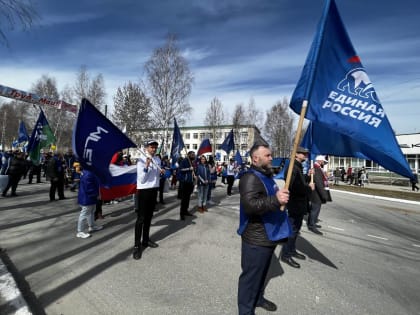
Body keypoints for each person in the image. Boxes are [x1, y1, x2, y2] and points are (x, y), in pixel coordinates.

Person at [237, 142, 291, 314]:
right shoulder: (250, 178)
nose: (271, 158)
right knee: (250, 278)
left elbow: (268, 198)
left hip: (269, 235)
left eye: (270, 155)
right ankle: (246, 310)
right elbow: (250, 206)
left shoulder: (266, 176)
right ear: (255, 158)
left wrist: (279, 197)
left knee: (261, 274)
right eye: (267, 156)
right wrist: (276, 200)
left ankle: (258, 298)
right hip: (256, 239)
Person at [280, 147, 314, 269]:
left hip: (299, 204)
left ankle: (292, 250)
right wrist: (309, 188)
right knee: (292, 230)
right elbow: (294, 187)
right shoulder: (292, 168)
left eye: (305, 153)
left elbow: (301, 182)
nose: (305, 155)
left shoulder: (298, 167)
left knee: (296, 229)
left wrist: (308, 177)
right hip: (295, 204)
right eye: (303, 153)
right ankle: (286, 254)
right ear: (295, 155)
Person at [133, 140, 162, 260]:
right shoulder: (141, 160)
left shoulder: (157, 160)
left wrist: (161, 172)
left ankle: (145, 240)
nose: (154, 149)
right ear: (146, 148)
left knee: (149, 217)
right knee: (141, 219)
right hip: (144, 190)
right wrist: (146, 166)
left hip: (153, 190)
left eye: (155, 147)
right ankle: (136, 246)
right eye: (151, 147)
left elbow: (156, 177)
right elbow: (142, 179)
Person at [308, 155, 331, 235]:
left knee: (315, 209)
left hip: (317, 193)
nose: (324, 163)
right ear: (320, 161)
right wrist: (324, 195)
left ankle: (312, 222)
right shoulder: (316, 168)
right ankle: (312, 225)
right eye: (323, 162)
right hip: (316, 194)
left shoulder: (318, 168)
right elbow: (319, 183)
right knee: (315, 210)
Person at [76, 168, 103, 238]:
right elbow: (89, 188)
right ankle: (80, 231)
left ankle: (92, 226)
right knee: (84, 213)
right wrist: (96, 195)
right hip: (87, 197)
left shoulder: (89, 172)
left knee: (91, 212)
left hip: (89, 197)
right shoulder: (88, 173)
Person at [178, 151, 196, 220]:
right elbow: (180, 169)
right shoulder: (184, 161)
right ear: (188, 155)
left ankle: (186, 211)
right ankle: (182, 213)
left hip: (190, 182)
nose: (193, 156)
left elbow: (193, 171)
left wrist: (194, 176)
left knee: (188, 198)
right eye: (192, 155)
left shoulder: (192, 162)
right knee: (184, 199)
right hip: (185, 182)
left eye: (194, 155)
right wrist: (189, 169)